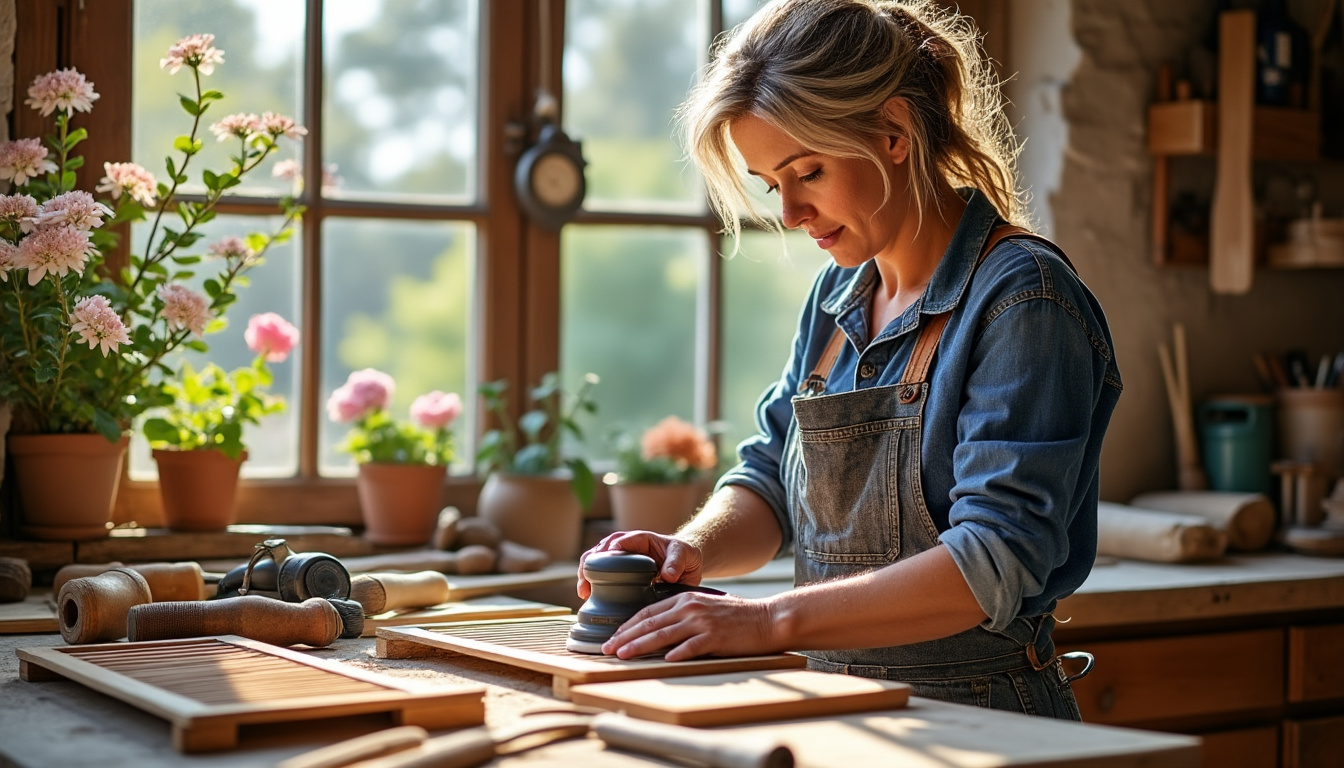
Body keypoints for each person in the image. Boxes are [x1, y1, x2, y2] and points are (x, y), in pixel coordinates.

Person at [578, 0, 1121, 719]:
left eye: (809, 171)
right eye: (775, 185)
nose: (792, 213)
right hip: (836, 702)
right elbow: (771, 478)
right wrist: (689, 552)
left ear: (894, 133)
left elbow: (994, 560)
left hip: (984, 713)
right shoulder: (838, 296)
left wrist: (768, 622)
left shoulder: (1026, 301)